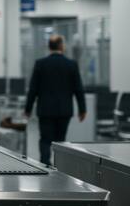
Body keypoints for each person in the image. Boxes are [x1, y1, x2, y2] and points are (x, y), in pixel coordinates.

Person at [25, 34, 86, 165]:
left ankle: (44, 165)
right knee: (61, 140)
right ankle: (59, 166)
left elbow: (33, 89)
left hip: (45, 110)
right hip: (64, 110)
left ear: (49, 47)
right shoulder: (71, 65)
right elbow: (78, 89)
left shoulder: (40, 64)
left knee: (45, 140)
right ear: (62, 46)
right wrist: (82, 109)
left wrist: (28, 109)